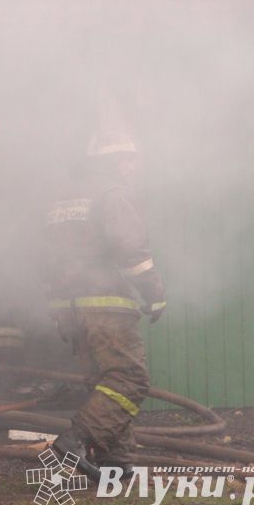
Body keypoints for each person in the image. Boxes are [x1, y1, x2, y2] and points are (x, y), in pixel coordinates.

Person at [41, 130, 166, 480]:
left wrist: (58, 310)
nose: (133, 166)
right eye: (129, 159)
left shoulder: (60, 204)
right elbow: (131, 250)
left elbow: (44, 260)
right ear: (113, 162)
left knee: (105, 383)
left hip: (69, 310)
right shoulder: (111, 196)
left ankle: (116, 462)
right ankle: (75, 440)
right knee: (129, 379)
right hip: (106, 306)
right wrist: (155, 293)